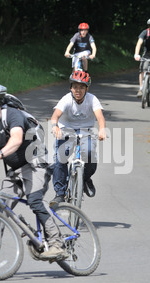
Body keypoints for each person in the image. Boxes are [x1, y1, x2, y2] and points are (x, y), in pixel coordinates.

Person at [0, 82, 67, 274]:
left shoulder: (12, 114)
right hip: (15, 171)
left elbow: (16, 139)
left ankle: (57, 243)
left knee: (34, 200)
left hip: (37, 163)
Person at [50, 71, 107, 206]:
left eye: (82, 87)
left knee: (89, 154)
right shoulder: (66, 99)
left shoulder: (92, 99)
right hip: (66, 130)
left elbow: (100, 117)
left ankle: (85, 178)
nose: (78, 90)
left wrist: (102, 129)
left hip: (86, 130)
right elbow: (55, 116)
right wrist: (55, 127)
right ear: (71, 88)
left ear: (87, 88)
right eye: (75, 87)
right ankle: (59, 193)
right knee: (60, 159)